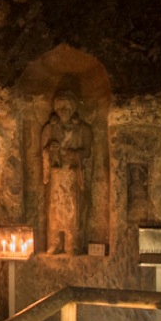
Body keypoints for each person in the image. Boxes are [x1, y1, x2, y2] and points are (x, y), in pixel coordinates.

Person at [41, 90, 92, 255]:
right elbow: (43, 150)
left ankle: (72, 243)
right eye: (60, 106)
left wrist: (75, 154)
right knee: (54, 209)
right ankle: (54, 242)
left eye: (67, 106)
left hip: (72, 174)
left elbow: (87, 151)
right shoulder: (50, 128)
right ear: (56, 108)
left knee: (72, 209)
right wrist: (50, 150)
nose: (63, 110)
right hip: (56, 175)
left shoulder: (82, 129)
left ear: (73, 108)